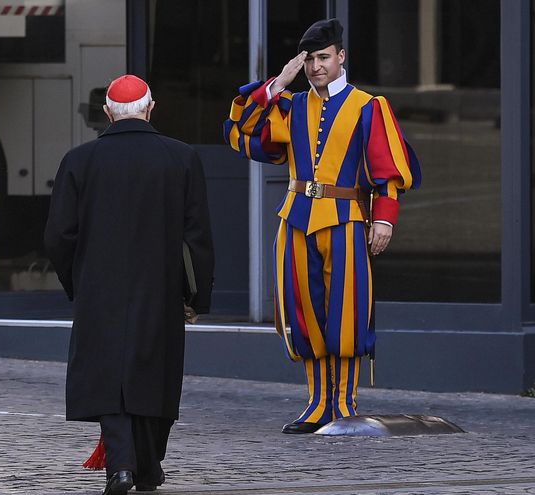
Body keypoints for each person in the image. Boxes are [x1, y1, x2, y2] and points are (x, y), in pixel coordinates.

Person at [223, 19, 421, 434]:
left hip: (347, 217)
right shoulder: (290, 105)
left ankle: (345, 403)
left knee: (346, 313)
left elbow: (387, 170)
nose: (316, 67)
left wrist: (384, 218)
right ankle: (316, 403)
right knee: (303, 311)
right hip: (295, 217)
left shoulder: (369, 105)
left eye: (323, 57)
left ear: (341, 56)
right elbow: (242, 130)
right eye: (310, 60)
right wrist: (279, 83)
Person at [44, 74, 215, 494]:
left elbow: (58, 236)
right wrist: (196, 295)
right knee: (154, 377)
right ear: (150, 108)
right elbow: (197, 237)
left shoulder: (79, 160)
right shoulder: (182, 157)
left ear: (107, 113)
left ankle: (123, 467)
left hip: (100, 290)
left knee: (110, 379)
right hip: (160, 289)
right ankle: (147, 464)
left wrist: (76, 281)